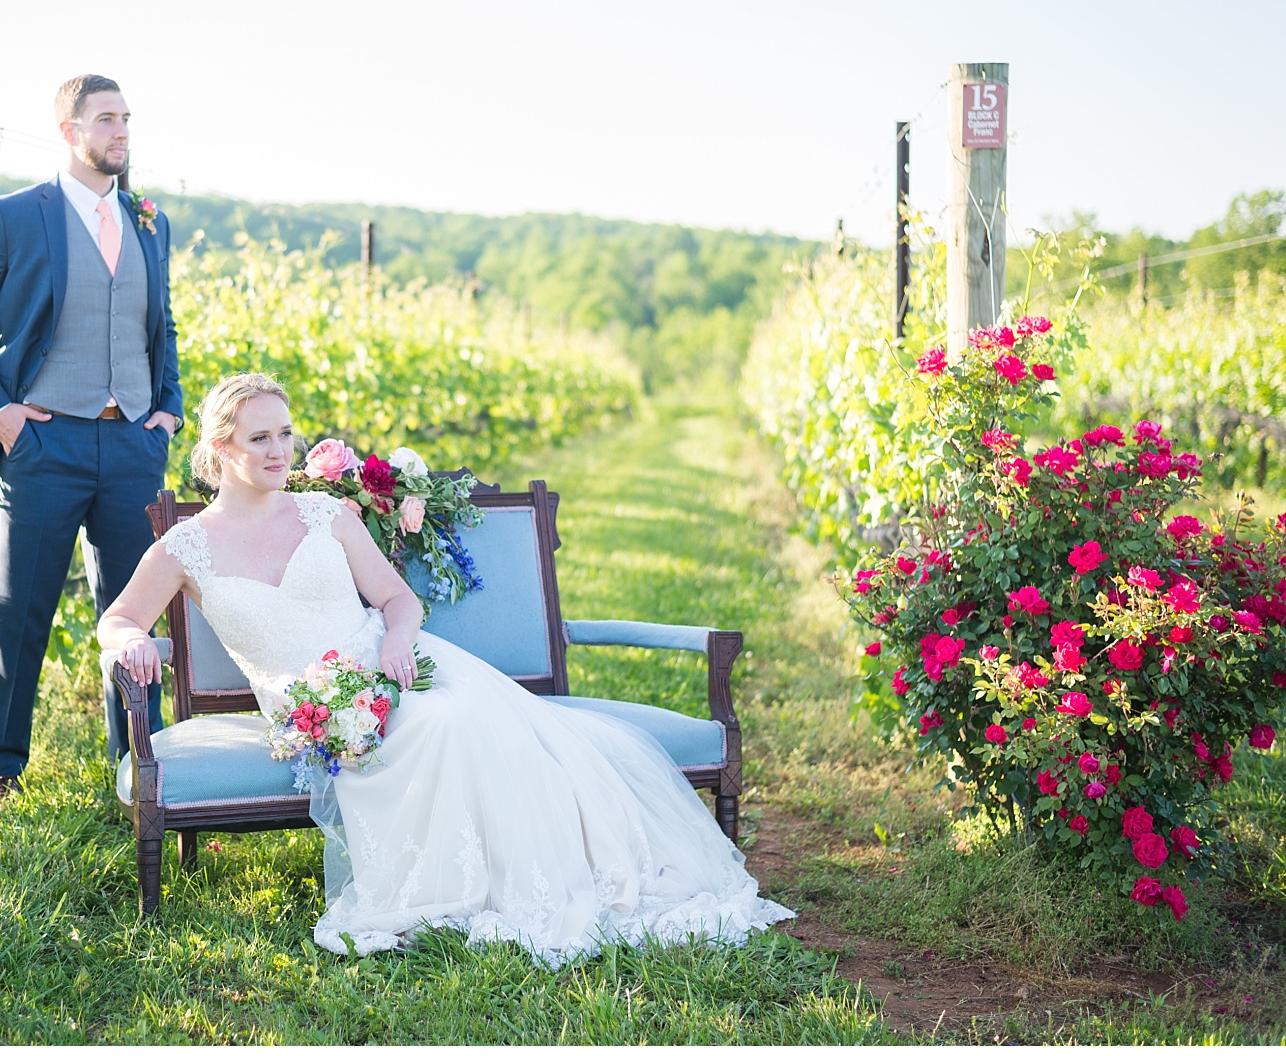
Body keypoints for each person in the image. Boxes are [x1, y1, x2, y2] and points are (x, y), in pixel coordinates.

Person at [97, 373, 793, 964]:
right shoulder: (185, 547)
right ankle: (443, 890)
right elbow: (119, 617)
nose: (281, 450)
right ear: (221, 449)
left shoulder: (326, 514)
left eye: (286, 433)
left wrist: (398, 641)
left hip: (398, 665)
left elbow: (397, 600)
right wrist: (127, 640)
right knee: (427, 729)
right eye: (260, 438)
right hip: (315, 707)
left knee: (448, 715)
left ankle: (513, 881)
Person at [0, 73, 182, 805]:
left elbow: (160, 324)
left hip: (132, 444)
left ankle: (136, 763)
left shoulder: (148, 221)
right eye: (107, 120)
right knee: (21, 612)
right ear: (69, 131)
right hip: (43, 445)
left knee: (134, 617)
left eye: (127, 120)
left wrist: (166, 409)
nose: (122, 133)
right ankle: (0, 770)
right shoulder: (15, 216)